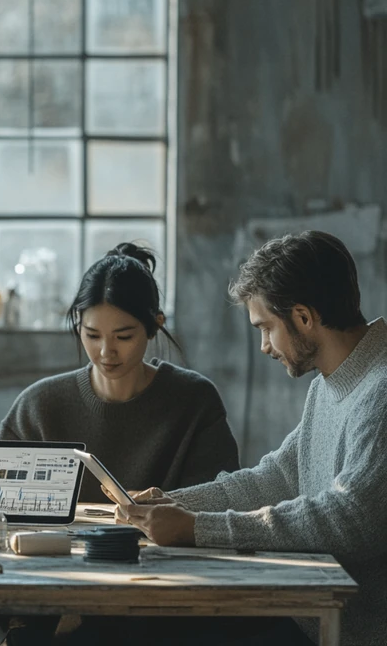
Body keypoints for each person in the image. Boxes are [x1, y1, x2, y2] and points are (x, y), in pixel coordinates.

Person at [112, 231, 387, 645]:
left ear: (303, 317)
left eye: (266, 328)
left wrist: (198, 529)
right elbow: (274, 477)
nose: (263, 347)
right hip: (310, 610)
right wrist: (172, 504)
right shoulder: (330, 385)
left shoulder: (380, 391)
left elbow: (353, 518)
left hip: (350, 628)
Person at [0, 243, 240, 644]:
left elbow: (217, 506)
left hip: (162, 597)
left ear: (155, 324)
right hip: (50, 590)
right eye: (91, 335)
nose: (106, 352)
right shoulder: (39, 405)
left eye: (124, 336)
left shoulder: (194, 401)